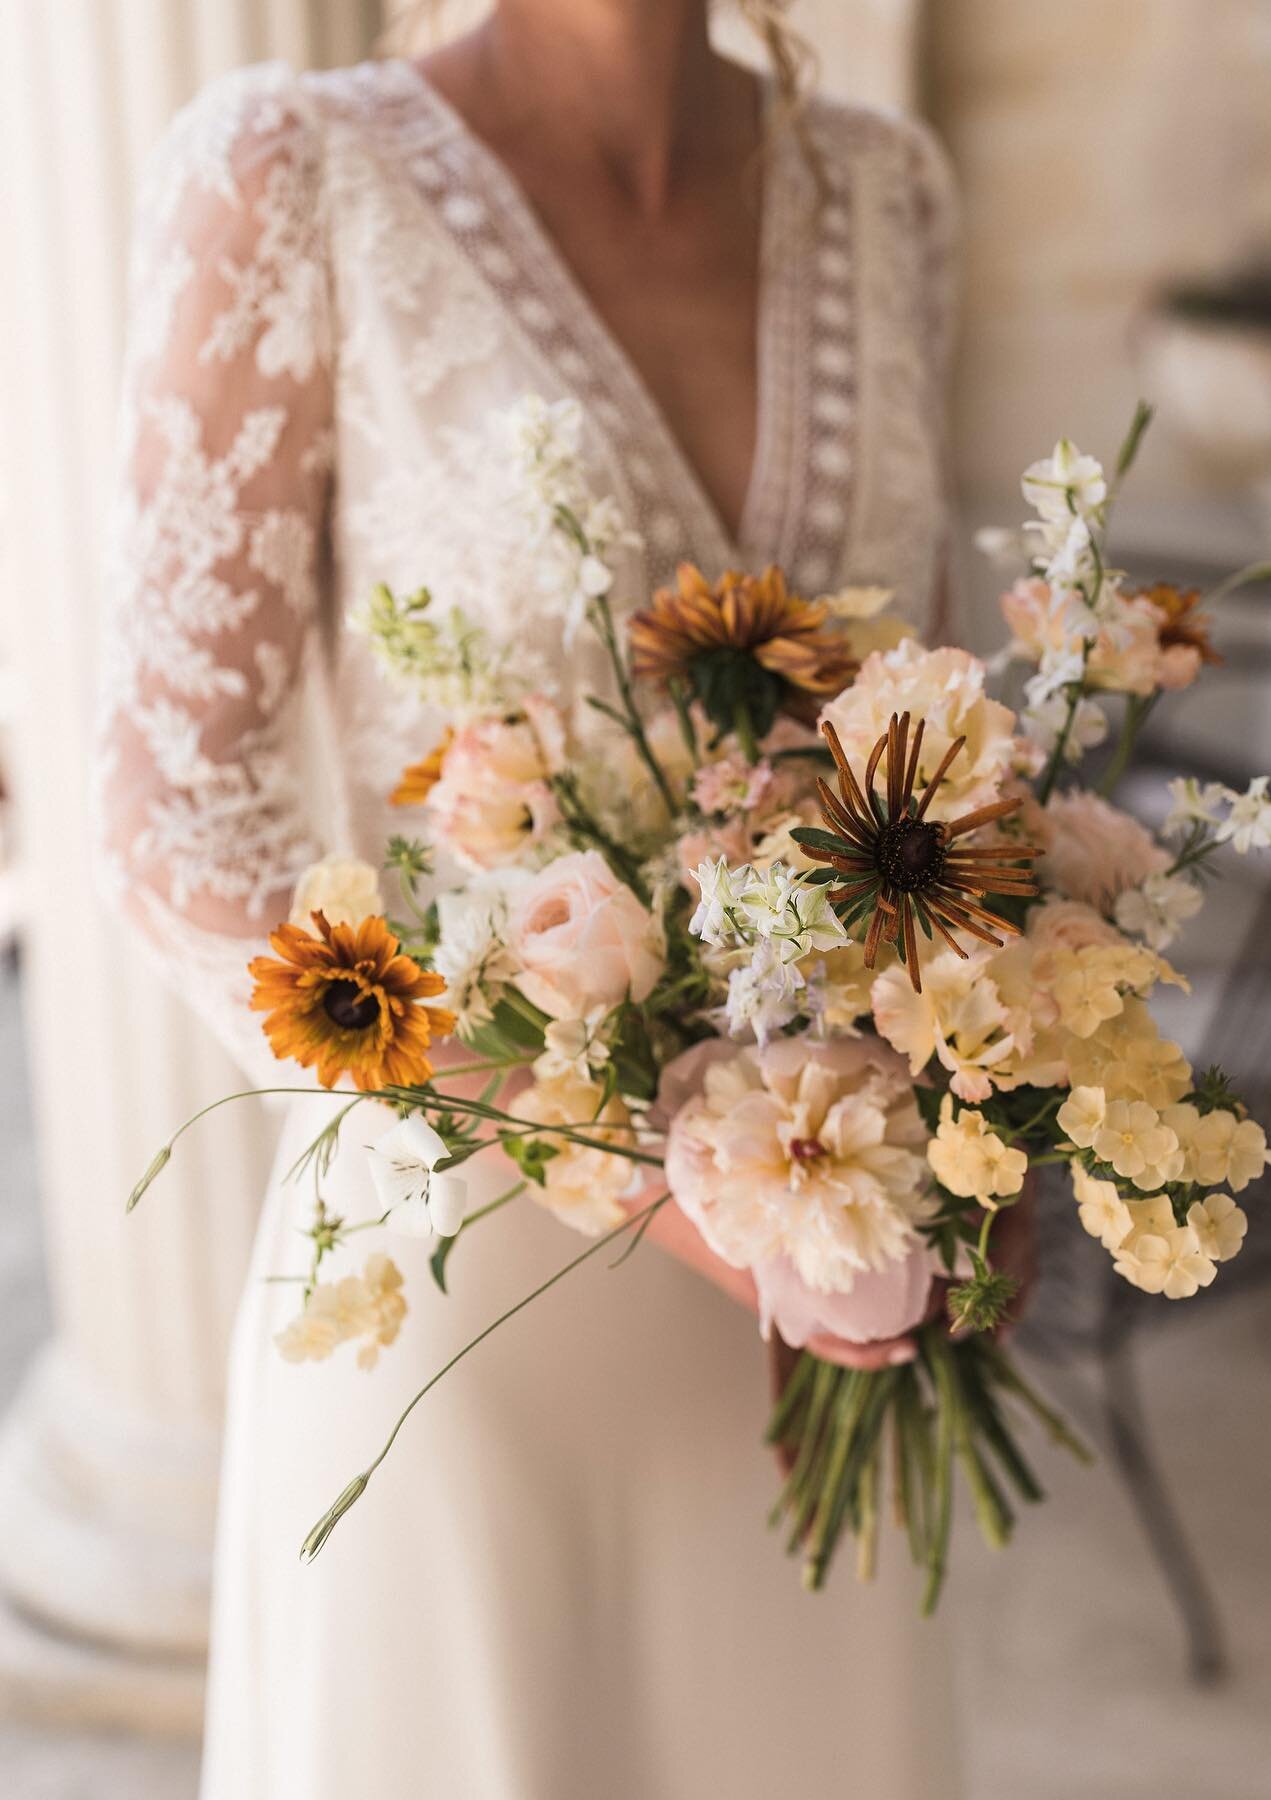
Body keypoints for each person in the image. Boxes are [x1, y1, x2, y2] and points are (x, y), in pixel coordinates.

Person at [99, 2, 967, 1792]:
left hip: (835, 1310)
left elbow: (940, 744)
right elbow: (173, 805)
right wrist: (648, 1170)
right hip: (461, 1316)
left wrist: (996, 1127)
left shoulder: (890, 191)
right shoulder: (290, 173)